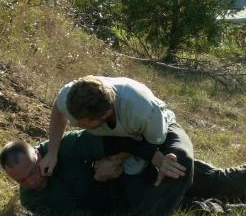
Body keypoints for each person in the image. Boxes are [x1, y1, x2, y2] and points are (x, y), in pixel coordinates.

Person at [0, 130, 246, 216]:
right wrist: (95, 176)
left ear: (40, 154)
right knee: (211, 212)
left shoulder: (68, 146)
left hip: (157, 169)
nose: (32, 181)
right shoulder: (33, 200)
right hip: (139, 202)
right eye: (22, 181)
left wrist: (116, 161)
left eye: (33, 170)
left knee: (222, 182)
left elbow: (126, 140)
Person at [40, 75, 190, 186]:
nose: (75, 124)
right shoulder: (70, 96)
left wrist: (117, 157)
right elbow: (59, 109)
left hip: (154, 132)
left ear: (105, 115)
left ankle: (211, 179)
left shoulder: (142, 111)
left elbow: (150, 145)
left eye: (82, 124)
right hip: (113, 138)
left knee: (179, 163)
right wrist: (52, 153)